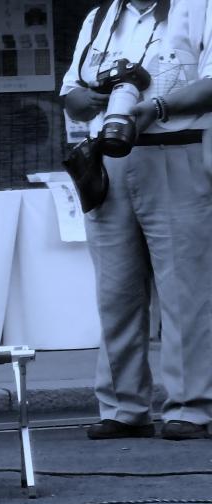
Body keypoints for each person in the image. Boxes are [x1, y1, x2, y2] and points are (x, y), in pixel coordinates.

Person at [62, 0, 212, 440]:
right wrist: (89, 100)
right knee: (115, 291)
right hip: (109, 157)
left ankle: (190, 407)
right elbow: (70, 93)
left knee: (185, 290)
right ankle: (122, 406)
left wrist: (158, 106)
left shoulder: (201, 8)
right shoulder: (100, 17)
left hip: (177, 150)